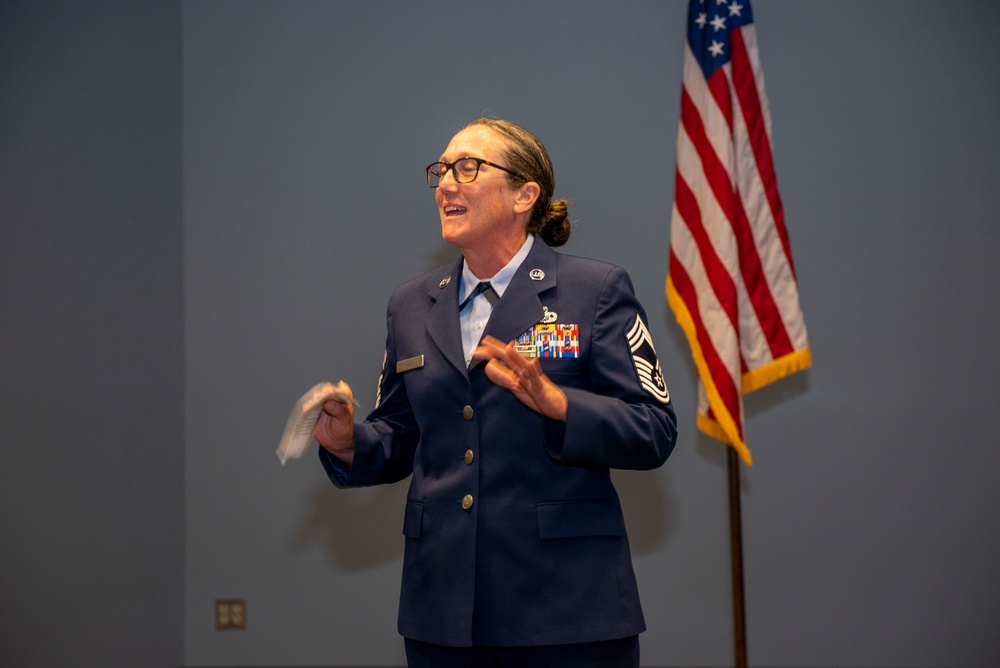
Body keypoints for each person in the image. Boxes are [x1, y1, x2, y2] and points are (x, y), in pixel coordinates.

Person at [313, 118, 677, 668]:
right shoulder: (411, 304)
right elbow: (403, 436)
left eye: (468, 168)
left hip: (567, 610)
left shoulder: (594, 291)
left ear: (523, 195)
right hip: (444, 613)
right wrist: (347, 442)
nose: (445, 184)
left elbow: (654, 429)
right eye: (441, 170)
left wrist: (559, 405)